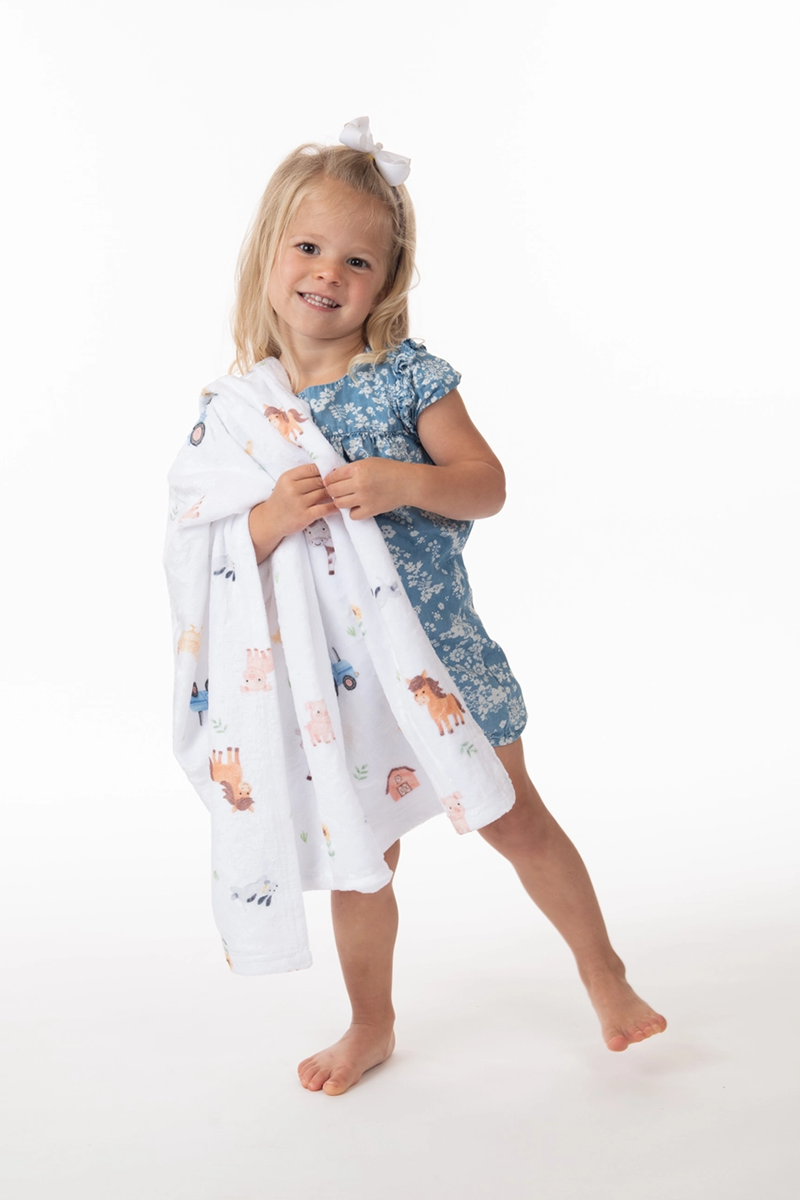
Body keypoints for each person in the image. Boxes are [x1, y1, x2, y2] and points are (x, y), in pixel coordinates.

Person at [229, 118, 666, 1096]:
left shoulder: (408, 378)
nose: (326, 273)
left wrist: (402, 481)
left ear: (386, 281)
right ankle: (370, 1022)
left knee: (515, 821)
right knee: (362, 859)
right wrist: (264, 518)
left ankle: (604, 974)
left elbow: (486, 483)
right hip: (338, 684)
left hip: (441, 666)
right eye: (306, 247)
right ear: (268, 251)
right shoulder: (240, 408)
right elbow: (208, 546)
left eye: (357, 259)